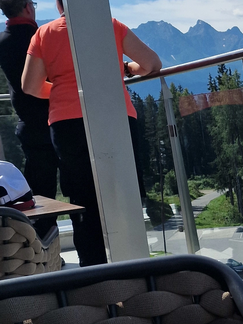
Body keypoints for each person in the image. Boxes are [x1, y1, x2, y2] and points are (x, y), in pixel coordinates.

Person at [21, 0, 160, 266]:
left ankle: (92, 272)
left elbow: (30, 86)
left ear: (59, 4)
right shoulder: (111, 26)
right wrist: (127, 69)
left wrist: (66, 89)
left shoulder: (44, 34)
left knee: (82, 198)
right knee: (124, 192)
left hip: (67, 123)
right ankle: (136, 267)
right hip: (115, 115)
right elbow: (152, 63)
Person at [0, 0, 59, 237]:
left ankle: (39, 243)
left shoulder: (3, 42)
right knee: (78, 185)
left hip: (29, 125)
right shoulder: (41, 37)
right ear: (27, 7)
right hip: (58, 120)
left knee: (40, 193)